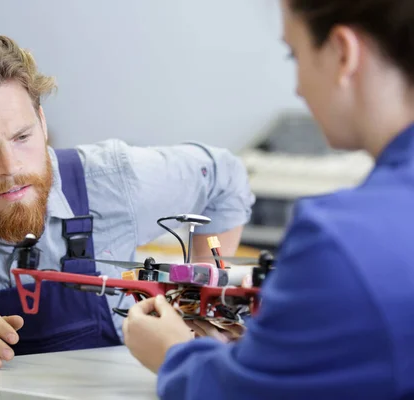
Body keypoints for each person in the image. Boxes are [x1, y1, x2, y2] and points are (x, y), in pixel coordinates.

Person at [0, 29, 254, 400]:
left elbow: (224, 176)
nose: (11, 168)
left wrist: (203, 299)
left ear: (42, 122)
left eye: (23, 137)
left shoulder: (109, 180)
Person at [122, 0, 414, 398]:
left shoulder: (341, 240)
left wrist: (175, 353)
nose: (297, 86)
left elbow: (241, 392)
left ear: (343, 53)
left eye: (295, 54)